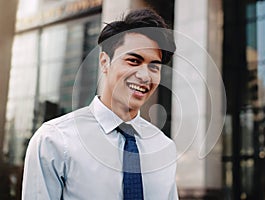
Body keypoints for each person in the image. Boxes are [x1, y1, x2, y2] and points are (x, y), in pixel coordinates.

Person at [22, 8, 178, 200]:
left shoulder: (164, 148)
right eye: (133, 61)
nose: (145, 76)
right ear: (105, 62)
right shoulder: (54, 140)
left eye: (154, 66)